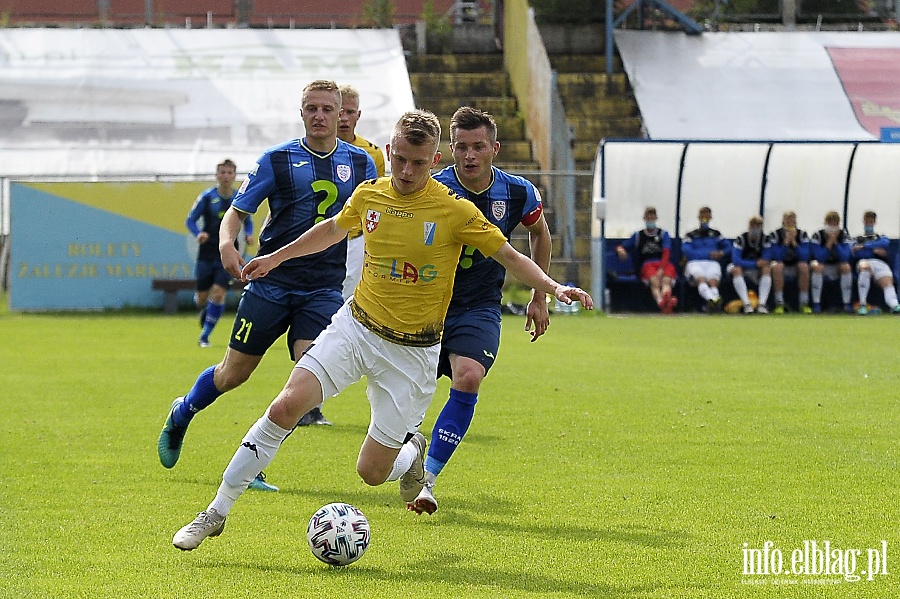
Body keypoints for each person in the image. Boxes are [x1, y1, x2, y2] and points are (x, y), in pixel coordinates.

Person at [171, 109, 592, 550]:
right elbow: (331, 230)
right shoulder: (370, 195)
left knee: (371, 473)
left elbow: (510, 255)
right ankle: (215, 512)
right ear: (389, 151)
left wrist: (551, 287)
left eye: (419, 162)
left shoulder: (453, 209)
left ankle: (411, 455)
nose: (407, 172)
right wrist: (275, 258)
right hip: (356, 328)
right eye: (401, 160)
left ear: (434, 159)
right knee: (285, 406)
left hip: (413, 353)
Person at [157, 80, 378, 493]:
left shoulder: (363, 165)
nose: (320, 116)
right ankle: (182, 412)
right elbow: (236, 213)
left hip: (322, 290)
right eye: (311, 108)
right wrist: (226, 242)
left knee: (308, 383)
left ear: (341, 113)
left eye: (328, 109)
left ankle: (254, 456)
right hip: (271, 283)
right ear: (301, 113)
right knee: (232, 374)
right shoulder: (277, 160)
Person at [407, 107, 553, 516]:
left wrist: (539, 296)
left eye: (478, 147)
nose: (470, 155)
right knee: (406, 404)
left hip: (477, 307)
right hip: (424, 306)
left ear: (494, 149)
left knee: (468, 376)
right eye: (461, 147)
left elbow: (539, 233)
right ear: (449, 149)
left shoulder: (517, 192)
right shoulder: (430, 189)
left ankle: (429, 480)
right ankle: (407, 454)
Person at [297, 84, 388, 428]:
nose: (345, 118)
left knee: (358, 316)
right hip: (318, 244)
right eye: (342, 111)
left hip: (356, 244)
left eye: (350, 112)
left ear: (356, 115)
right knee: (322, 318)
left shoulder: (371, 155)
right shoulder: (309, 152)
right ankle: (307, 399)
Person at [186, 159, 254, 347]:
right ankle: (205, 309)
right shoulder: (207, 197)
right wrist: (198, 233)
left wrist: (249, 234)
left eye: (229, 173)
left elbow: (247, 221)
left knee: (218, 293)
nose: (225, 176)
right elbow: (190, 220)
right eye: (222, 172)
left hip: (229, 251)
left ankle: (205, 336)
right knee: (202, 297)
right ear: (216, 175)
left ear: (234, 176)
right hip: (207, 251)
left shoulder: (239, 199)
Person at [615, 206, 678, 313]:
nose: (650, 220)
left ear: (656, 218)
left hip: (664, 263)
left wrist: (662, 268)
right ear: (645, 218)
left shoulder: (663, 234)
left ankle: (666, 299)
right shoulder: (638, 235)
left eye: (652, 218)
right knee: (654, 282)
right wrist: (620, 249)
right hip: (648, 264)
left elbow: (666, 252)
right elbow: (623, 246)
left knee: (666, 281)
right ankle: (661, 303)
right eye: (648, 218)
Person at [851, 210, 900, 315]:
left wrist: (864, 247)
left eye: (871, 221)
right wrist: (874, 249)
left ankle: (894, 305)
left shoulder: (880, 237)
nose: (869, 224)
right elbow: (855, 252)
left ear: (874, 222)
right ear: (863, 222)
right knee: (865, 267)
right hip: (864, 262)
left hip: (879, 263)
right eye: (867, 221)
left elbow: (885, 243)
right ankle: (863, 304)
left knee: (887, 281)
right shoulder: (857, 239)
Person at [682, 206, 730, 312]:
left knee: (713, 281)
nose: (705, 217)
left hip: (712, 263)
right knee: (701, 279)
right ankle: (712, 299)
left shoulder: (716, 234)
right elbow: (687, 251)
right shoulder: (691, 234)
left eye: (707, 215)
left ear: (710, 217)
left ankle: (714, 301)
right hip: (695, 263)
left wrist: (721, 253)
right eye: (702, 215)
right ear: (698, 217)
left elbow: (728, 247)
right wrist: (708, 254)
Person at [767, 210, 812, 314]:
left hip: (796, 266)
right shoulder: (775, 235)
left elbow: (805, 256)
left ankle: (803, 303)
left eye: (792, 220)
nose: (790, 223)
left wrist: (795, 243)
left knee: (804, 266)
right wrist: (786, 242)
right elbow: (776, 256)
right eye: (787, 220)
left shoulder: (802, 234)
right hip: (781, 265)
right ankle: (779, 303)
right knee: (778, 266)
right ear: (783, 222)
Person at [810, 210, 852, 314]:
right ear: (825, 223)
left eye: (835, 223)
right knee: (818, 266)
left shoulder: (843, 234)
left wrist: (836, 243)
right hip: (822, 265)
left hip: (836, 266)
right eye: (830, 223)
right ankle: (816, 303)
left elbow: (845, 256)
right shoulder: (818, 235)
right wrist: (829, 243)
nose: (833, 226)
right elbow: (819, 257)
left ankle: (846, 303)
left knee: (846, 267)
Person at [728, 215, 772, 314]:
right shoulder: (741, 239)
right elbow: (736, 260)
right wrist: (755, 263)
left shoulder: (765, 239)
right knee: (736, 269)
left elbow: (766, 259)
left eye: (758, 226)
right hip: (743, 267)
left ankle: (762, 305)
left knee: (767, 269)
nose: (755, 229)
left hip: (756, 269)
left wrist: (758, 264)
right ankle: (747, 304)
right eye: (753, 226)